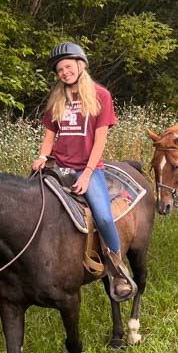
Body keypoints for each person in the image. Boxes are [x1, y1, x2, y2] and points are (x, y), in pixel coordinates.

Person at [31, 42, 137, 303]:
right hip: (58, 166)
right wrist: (43, 157)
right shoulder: (57, 99)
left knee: (102, 216)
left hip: (86, 168)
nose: (63, 72)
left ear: (81, 65)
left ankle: (117, 271)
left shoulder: (101, 96)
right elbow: (50, 135)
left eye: (67, 66)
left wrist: (89, 173)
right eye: (59, 70)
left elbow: (100, 140)